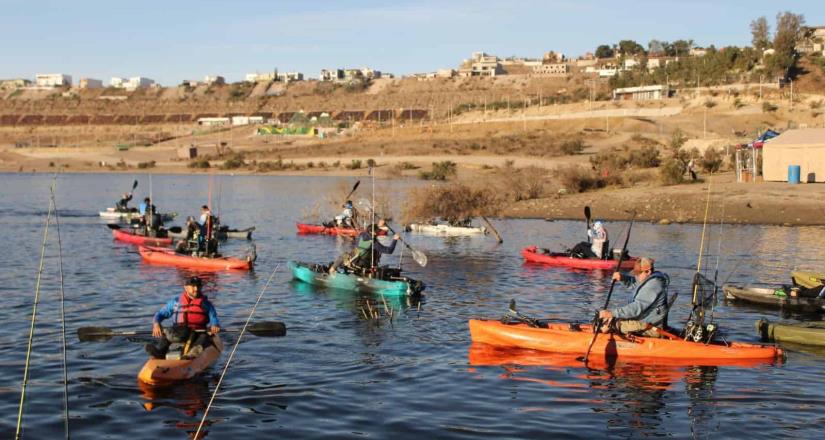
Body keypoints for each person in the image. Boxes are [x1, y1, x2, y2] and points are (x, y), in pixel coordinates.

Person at [145, 277, 220, 360]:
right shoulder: (175, 302)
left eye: (198, 286)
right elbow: (160, 314)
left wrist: (215, 325)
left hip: (198, 332)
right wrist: (156, 324)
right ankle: (159, 352)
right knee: (166, 335)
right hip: (179, 330)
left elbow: (214, 318)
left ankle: (192, 355)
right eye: (193, 286)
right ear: (186, 287)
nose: (196, 289)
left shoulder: (206, 304)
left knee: (204, 337)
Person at [598, 257, 670, 338]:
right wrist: (623, 278)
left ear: (648, 271)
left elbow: (636, 308)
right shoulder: (648, 279)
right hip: (643, 321)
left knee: (612, 324)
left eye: (638, 274)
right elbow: (636, 283)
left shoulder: (653, 285)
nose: (637, 276)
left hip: (652, 328)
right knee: (612, 320)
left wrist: (612, 313)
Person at [329, 218, 399, 274]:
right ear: (373, 232)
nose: (378, 233)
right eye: (377, 231)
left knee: (344, 255)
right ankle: (333, 271)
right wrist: (395, 240)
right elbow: (389, 251)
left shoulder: (361, 235)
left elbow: (370, 229)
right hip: (362, 264)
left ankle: (332, 269)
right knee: (345, 255)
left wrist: (379, 225)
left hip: (354, 259)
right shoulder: (374, 242)